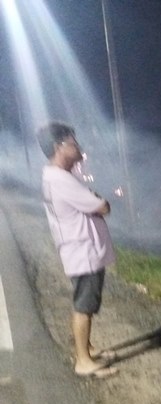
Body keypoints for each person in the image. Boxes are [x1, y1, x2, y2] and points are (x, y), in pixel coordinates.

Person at [36, 122, 118, 378]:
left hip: (79, 250)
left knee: (85, 304)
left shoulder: (55, 176)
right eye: (73, 143)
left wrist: (94, 199)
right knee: (84, 306)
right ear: (58, 147)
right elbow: (102, 207)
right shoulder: (61, 180)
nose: (79, 147)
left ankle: (88, 349)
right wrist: (99, 200)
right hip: (83, 253)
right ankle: (83, 361)